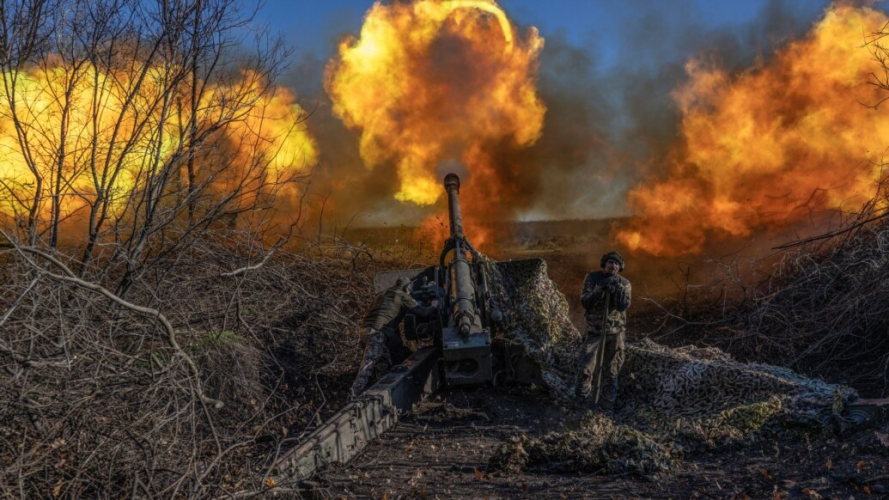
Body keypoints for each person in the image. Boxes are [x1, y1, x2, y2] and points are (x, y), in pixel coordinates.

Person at [351, 277, 437, 396]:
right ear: (407, 288)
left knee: (383, 363)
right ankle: (355, 392)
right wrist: (433, 306)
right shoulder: (402, 296)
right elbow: (423, 312)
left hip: (364, 330)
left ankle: (379, 391)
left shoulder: (381, 294)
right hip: (376, 333)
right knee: (369, 363)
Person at [576, 251, 632, 412]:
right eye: (610, 262)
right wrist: (599, 290)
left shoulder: (624, 283)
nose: (613, 265)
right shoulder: (593, 278)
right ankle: (582, 403)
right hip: (595, 331)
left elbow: (623, 306)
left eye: (616, 263)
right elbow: (585, 302)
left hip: (615, 332)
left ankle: (607, 406)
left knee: (612, 370)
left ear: (620, 267)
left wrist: (618, 292)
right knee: (585, 367)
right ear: (604, 264)